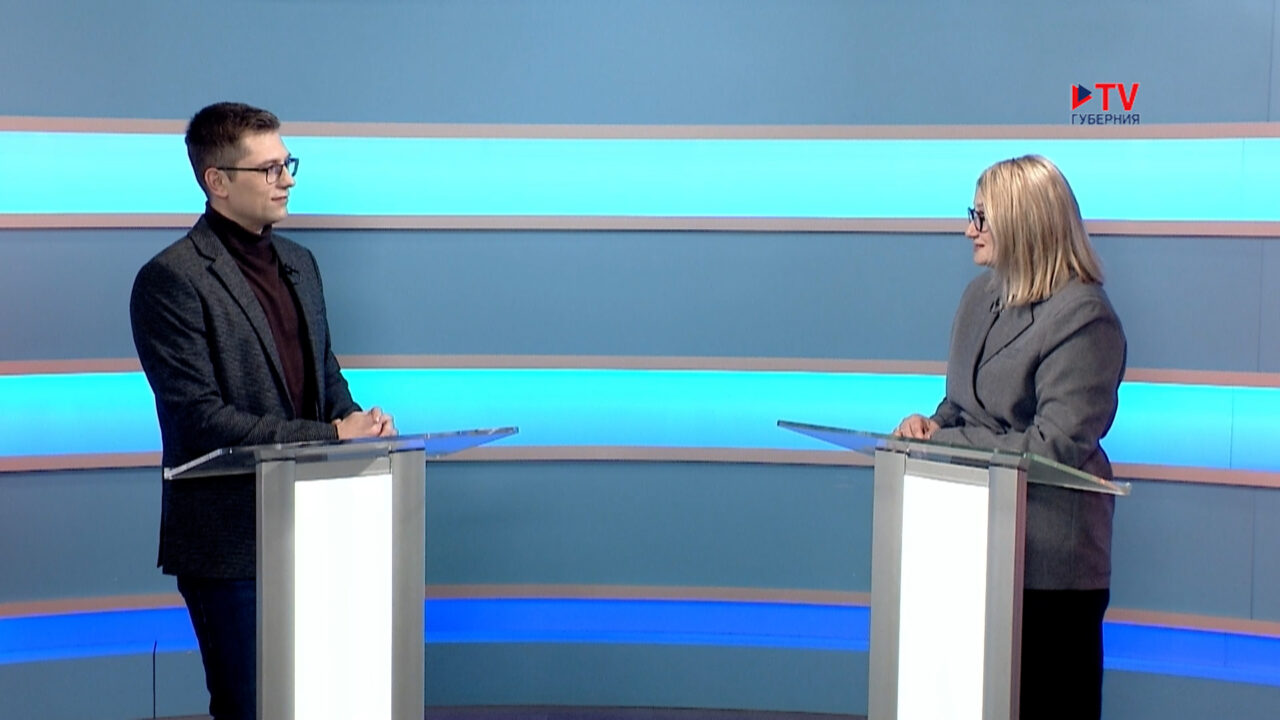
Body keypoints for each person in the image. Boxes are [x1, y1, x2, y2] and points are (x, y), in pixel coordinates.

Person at [130, 102, 396, 720]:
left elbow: (324, 377)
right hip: (231, 545)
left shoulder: (300, 263)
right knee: (252, 706)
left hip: (322, 527)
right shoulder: (171, 280)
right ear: (217, 181)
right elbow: (201, 422)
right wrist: (333, 435)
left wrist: (361, 424)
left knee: (324, 703)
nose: (287, 181)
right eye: (270, 169)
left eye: (288, 164)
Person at [894, 154, 1126, 719]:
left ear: (1024, 222)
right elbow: (961, 402)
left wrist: (945, 445)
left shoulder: (1084, 316)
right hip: (970, 547)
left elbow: (1053, 448)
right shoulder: (980, 297)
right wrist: (931, 426)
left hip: (1049, 568)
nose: (967, 229)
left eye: (981, 216)